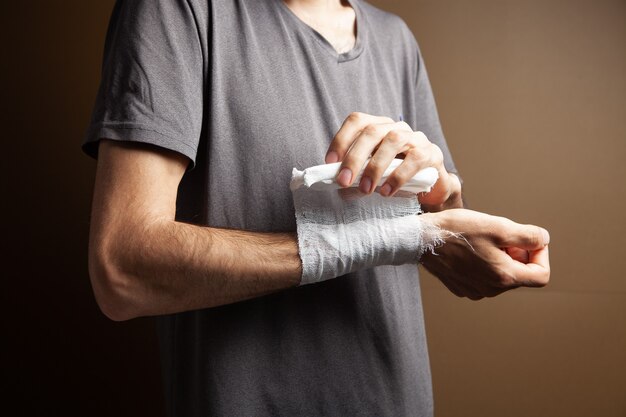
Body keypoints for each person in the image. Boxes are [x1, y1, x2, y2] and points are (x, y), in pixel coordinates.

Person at [84, 0, 550, 416]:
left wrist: (442, 199)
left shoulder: (395, 40)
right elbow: (122, 268)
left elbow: (440, 240)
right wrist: (401, 237)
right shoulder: (176, 9)